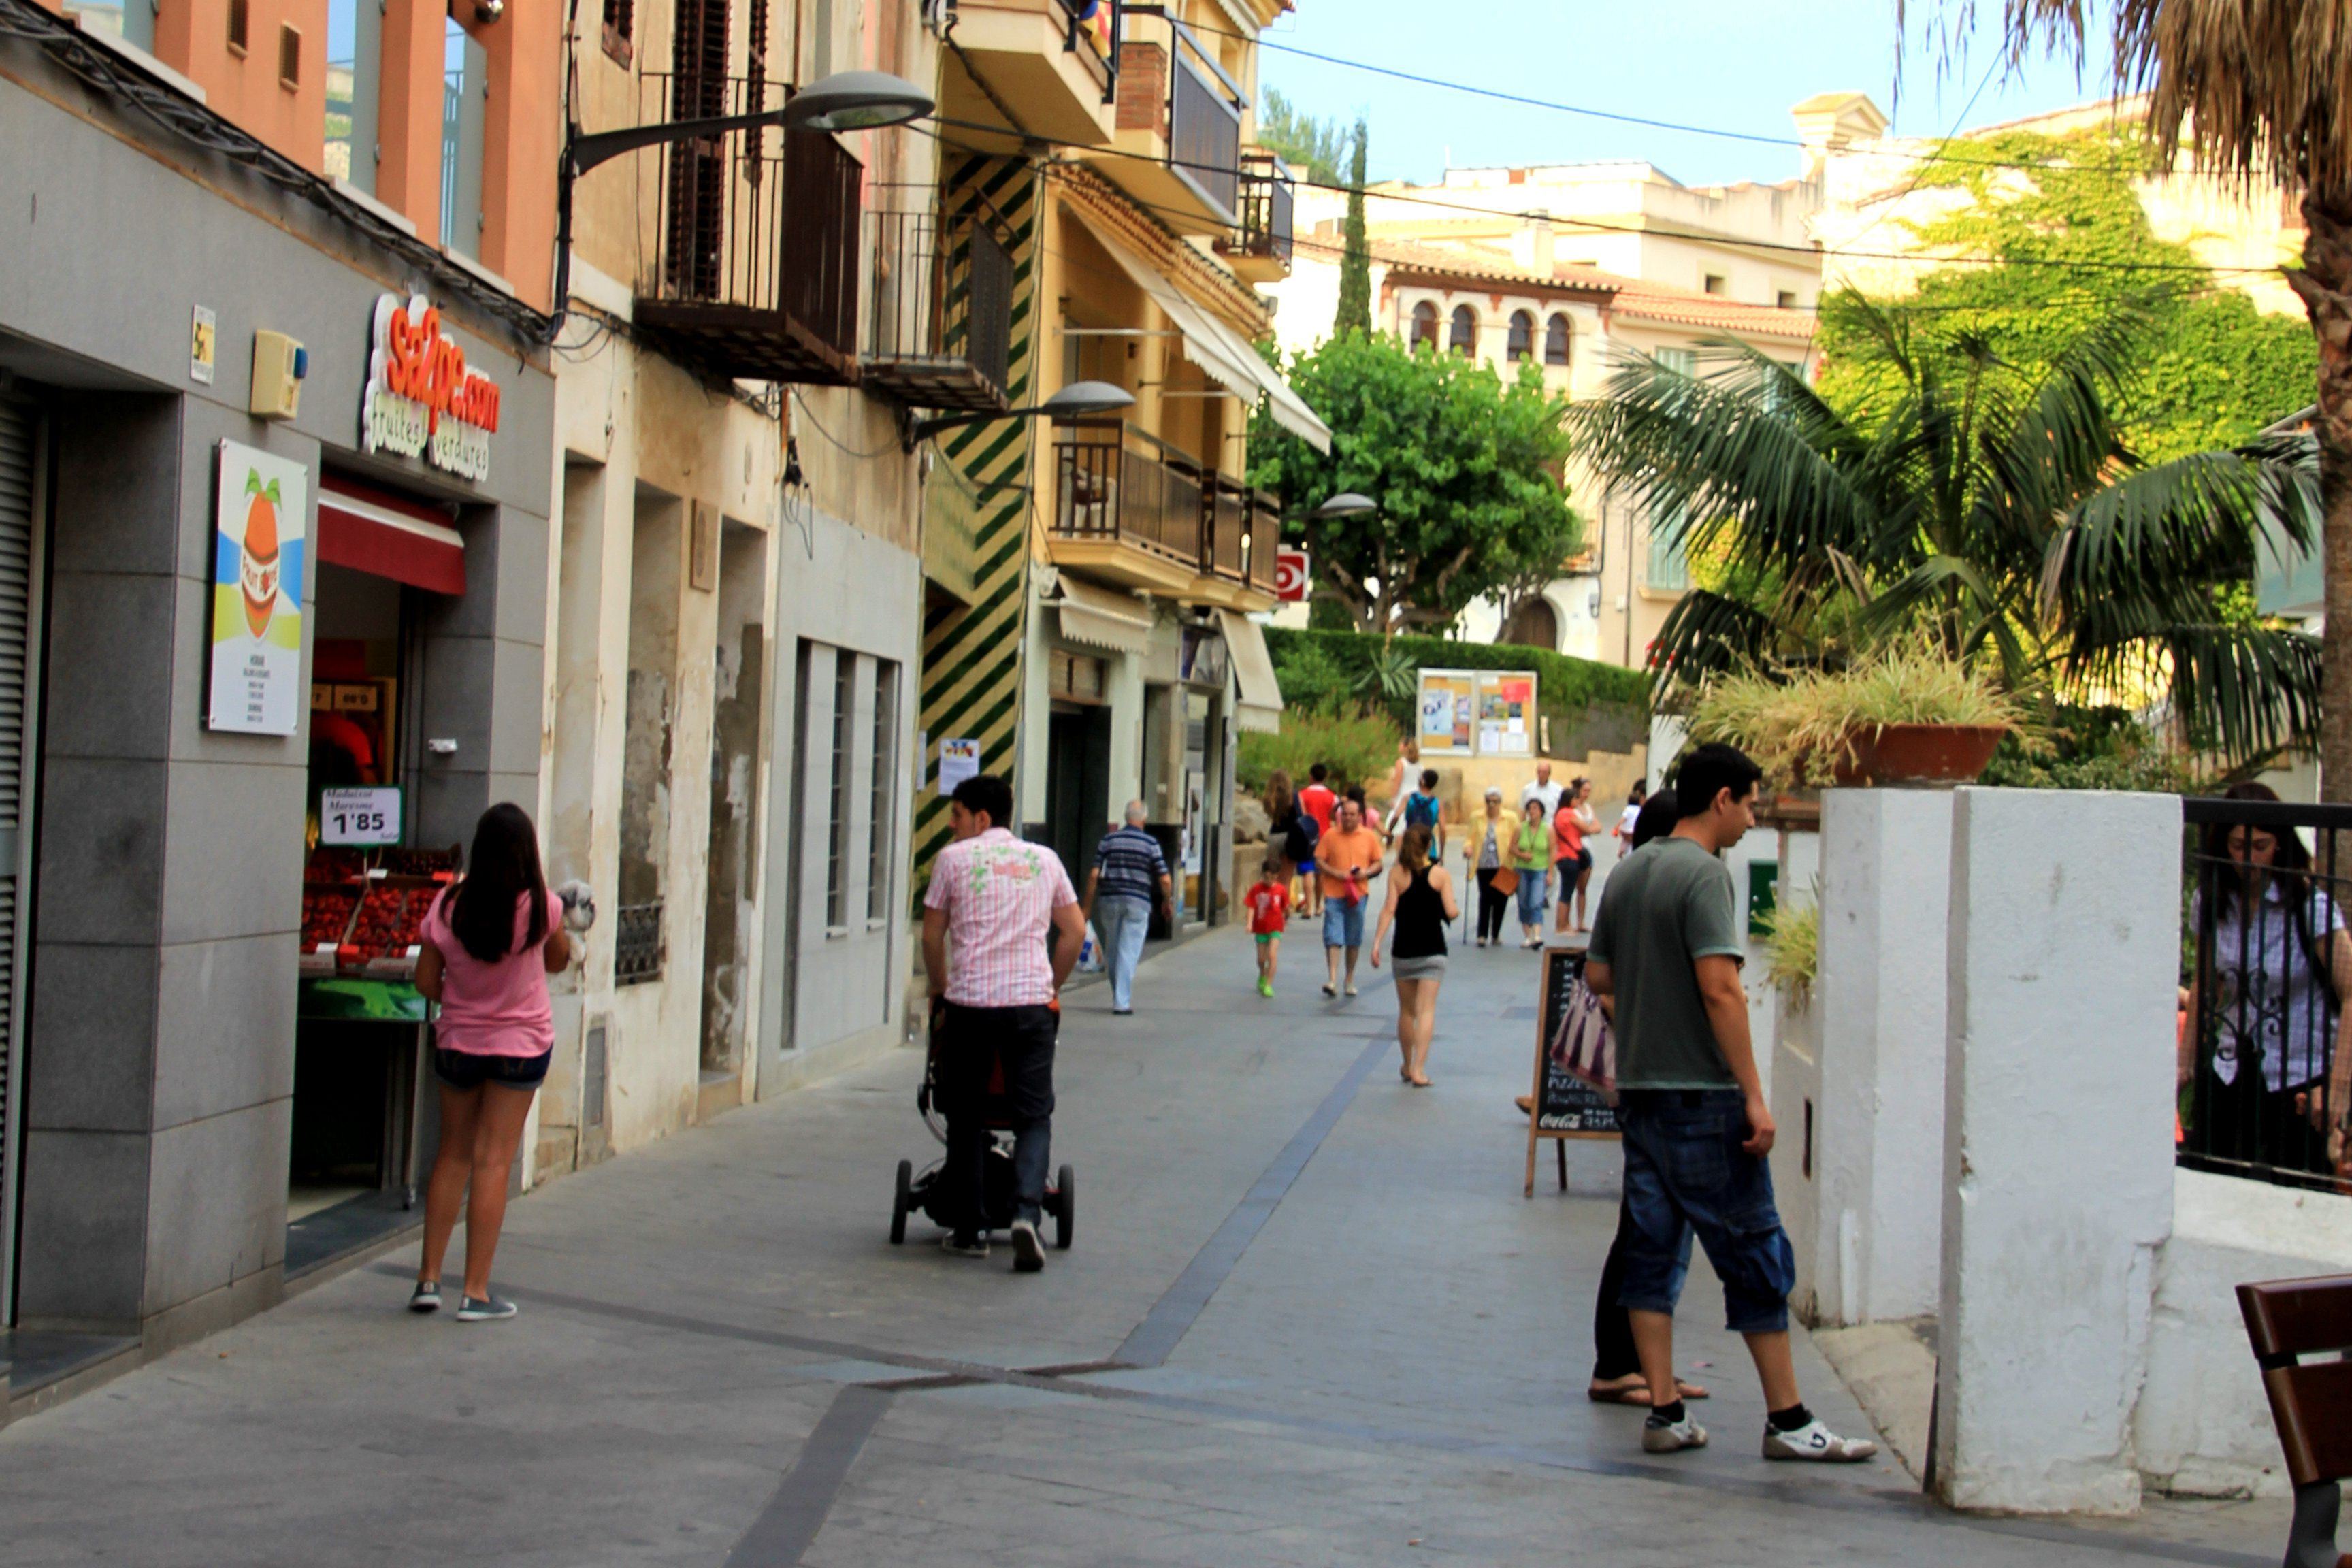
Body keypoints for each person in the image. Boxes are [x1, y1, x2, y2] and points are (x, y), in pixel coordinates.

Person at [1584, 744, 1875, 1461]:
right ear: (1720, 799)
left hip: (1643, 1096)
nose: (1753, 817)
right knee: (1753, 1251)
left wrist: (1646, 1018)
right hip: (1702, 1096)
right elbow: (1721, 988)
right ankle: (1788, 1418)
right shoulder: (1705, 877)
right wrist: (1753, 1093)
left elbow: (1598, 974)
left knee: (1651, 1255)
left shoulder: (1631, 871)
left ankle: (1665, 1411)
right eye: (1748, 802)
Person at [410, 803, 572, 1322]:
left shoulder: (448, 905)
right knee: (493, 1161)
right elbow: (557, 960)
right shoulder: (543, 906)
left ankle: (428, 1279)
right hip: (519, 1048)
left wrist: (462, 999)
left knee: (452, 1155)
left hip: (459, 1043)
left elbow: (423, 982)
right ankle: (475, 1291)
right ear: (527, 852)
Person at [921, 773, 1088, 1272]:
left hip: (970, 1005)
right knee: (1033, 1115)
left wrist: (939, 989)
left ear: (981, 818)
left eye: (956, 816)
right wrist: (1050, 986)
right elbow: (1074, 931)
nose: (951, 826)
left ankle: (970, 1228)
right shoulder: (1046, 860)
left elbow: (932, 938)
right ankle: (1025, 1215)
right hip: (1031, 1007)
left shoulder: (951, 862)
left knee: (966, 1115)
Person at [1582, 786, 1708, 1407]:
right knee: (1644, 1228)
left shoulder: (1639, 882)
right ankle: (1617, 1362)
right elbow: (1602, 981)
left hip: (1652, 1079)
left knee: (1659, 1229)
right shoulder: (1645, 886)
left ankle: (1650, 1367)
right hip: (1652, 1082)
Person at [2184, 781, 2352, 1177]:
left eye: (2260, 846)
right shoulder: (2210, 902)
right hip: (2232, 1071)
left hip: (2300, 1081)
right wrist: (2184, 1066)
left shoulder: (2310, 906)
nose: (2250, 858)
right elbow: (2205, 989)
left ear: (2279, 844)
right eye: (2239, 846)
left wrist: (2338, 1088)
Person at [1371, 825, 1459, 1086]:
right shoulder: (1441, 875)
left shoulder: (1397, 875)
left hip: (1404, 950)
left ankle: (1408, 1065)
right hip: (1433, 950)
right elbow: (1452, 911)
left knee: (1407, 1012)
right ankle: (1420, 1069)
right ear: (1428, 846)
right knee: (1427, 1010)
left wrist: (1377, 943)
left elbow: (1388, 910)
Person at [1083, 801, 1173, 1017]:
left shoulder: (1109, 840)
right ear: (1144, 819)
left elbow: (1095, 874)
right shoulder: (1151, 843)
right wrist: (1167, 901)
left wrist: (1086, 907)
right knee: (1128, 951)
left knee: (1113, 949)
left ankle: (1119, 996)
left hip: (1110, 900)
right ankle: (1121, 1002)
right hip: (1138, 902)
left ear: (1126, 818)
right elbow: (1165, 879)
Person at [1315, 796, 1385, 998]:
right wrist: (1336, 873)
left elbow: (1378, 864)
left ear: (1360, 817)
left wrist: (1365, 873)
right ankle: (1333, 978)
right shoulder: (1330, 835)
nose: (1347, 818)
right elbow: (1319, 860)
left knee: (1354, 937)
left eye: (1352, 815)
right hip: (1334, 892)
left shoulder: (1369, 837)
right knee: (1333, 935)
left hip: (1358, 894)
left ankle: (1350, 978)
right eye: (1344, 814)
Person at [1556, 779, 1601, 934]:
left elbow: (1593, 827)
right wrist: (1588, 829)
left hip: (1572, 853)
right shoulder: (1569, 813)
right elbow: (1587, 828)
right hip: (1571, 854)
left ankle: (1566, 923)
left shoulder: (1562, 813)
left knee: (1569, 890)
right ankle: (1562, 924)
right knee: (1567, 891)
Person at [1470, 785, 1512, 947]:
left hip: (1504, 864)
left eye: (1495, 801)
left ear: (1500, 802)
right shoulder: (1477, 817)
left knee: (1501, 900)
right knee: (1485, 898)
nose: (1492, 805)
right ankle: (1482, 934)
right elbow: (1470, 838)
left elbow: (1515, 836)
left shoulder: (1510, 818)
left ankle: (1495, 934)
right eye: (1489, 801)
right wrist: (1467, 848)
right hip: (1484, 863)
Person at [1244, 855, 1290, 998]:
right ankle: (1262, 973)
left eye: (1272, 878)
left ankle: (1269, 984)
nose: (1268, 881)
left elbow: (1286, 907)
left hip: (1276, 927)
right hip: (1261, 927)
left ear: (1277, 876)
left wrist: (1287, 917)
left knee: (1272, 955)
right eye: (1266, 877)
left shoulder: (1281, 890)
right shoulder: (1256, 889)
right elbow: (1251, 907)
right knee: (1261, 959)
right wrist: (1249, 923)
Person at [1296, 764, 1339, 915]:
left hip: (1306, 836)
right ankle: (1319, 904)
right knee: (1320, 871)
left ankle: (1309, 907)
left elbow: (1300, 814)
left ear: (1311, 776)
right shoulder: (1332, 796)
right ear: (1325, 777)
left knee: (1307, 870)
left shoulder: (1302, 795)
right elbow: (1336, 817)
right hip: (1325, 836)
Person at [1512, 796, 1552, 948]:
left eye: (1535, 809)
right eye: (1530, 809)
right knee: (1523, 901)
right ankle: (1527, 935)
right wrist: (1522, 855)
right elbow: (1512, 847)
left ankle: (1537, 935)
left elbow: (1552, 852)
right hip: (1522, 869)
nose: (1532, 812)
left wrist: (1550, 872)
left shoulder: (1548, 829)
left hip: (1539, 869)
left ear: (1541, 811)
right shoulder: (1520, 828)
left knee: (1536, 901)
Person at [1401, 767, 1446, 859]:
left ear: (1423, 782)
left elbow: (1396, 817)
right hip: (1429, 850)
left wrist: (1389, 833)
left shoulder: (1409, 798)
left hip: (1410, 848)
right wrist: (1441, 854)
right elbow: (1443, 830)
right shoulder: (1437, 803)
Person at [1380, 738, 1420, 838]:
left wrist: (1393, 798)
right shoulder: (1419, 764)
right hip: (1416, 794)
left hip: (1403, 794)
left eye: (1400, 744)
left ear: (1405, 747)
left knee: (1398, 821)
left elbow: (1398, 782)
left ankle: (1394, 840)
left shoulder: (1401, 762)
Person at [1614, 781, 1647, 853]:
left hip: (1628, 832)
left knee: (1625, 843)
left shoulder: (1629, 809)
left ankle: (1621, 852)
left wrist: (1617, 827)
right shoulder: (1639, 810)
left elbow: (1623, 819)